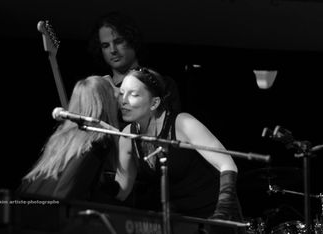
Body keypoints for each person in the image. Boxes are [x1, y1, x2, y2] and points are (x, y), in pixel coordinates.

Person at [114, 67, 244, 224]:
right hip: (180, 221)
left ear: (154, 103)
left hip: (214, 215)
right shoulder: (128, 135)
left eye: (133, 94)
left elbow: (227, 164)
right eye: (121, 93)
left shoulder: (182, 123)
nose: (123, 101)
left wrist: (222, 210)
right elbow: (122, 189)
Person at [17, 75, 121, 203]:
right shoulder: (98, 140)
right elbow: (68, 189)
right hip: (53, 214)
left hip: (25, 208)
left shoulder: (61, 136)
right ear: (107, 102)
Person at [87, 11, 181, 118]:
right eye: (105, 45)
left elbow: (166, 125)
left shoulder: (161, 84)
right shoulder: (100, 89)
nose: (113, 50)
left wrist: (118, 95)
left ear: (132, 40)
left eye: (118, 41)